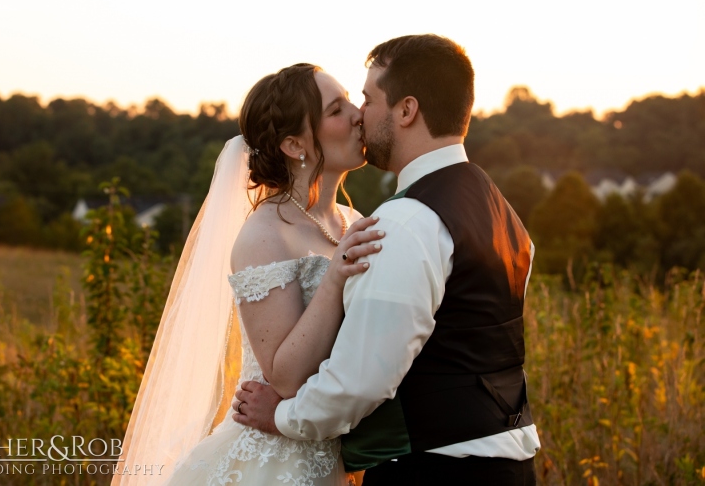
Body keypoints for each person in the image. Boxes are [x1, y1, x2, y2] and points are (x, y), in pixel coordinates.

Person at [233, 34, 542, 485]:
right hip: (510, 461)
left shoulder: (404, 221)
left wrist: (283, 417)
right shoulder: (504, 214)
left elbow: (362, 380)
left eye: (366, 98)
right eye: (342, 107)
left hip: (437, 470)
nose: (361, 114)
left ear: (406, 110)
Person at [113, 63, 385, 486]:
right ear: (296, 144)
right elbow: (285, 374)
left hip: (336, 449)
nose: (356, 114)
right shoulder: (264, 234)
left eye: (351, 100)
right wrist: (334, 279)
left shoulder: (354, 220)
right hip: (274, 461)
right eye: (336, 109)